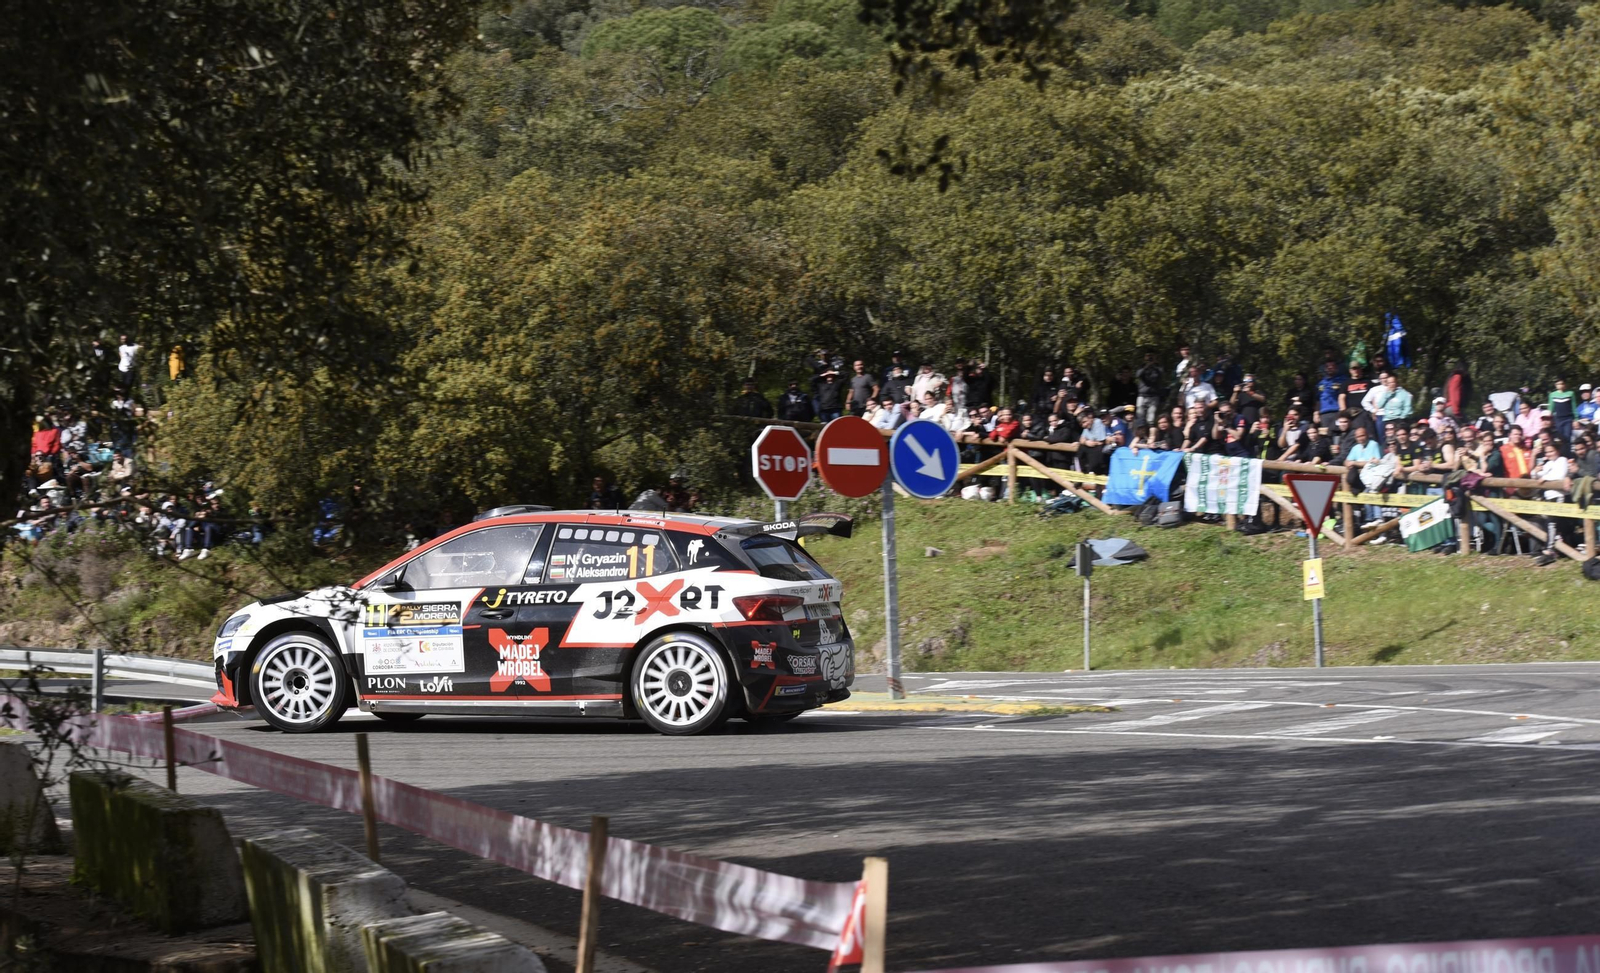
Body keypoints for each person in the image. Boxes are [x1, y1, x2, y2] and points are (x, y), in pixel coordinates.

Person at [1532, 442, 1570, 565]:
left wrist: (1545, 478)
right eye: (1547, 452)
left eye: (1551, 451)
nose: (1548, 454)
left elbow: (1560, 475)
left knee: (1552, 524)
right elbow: (1537, 476)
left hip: (1558, 496)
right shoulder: (1548, 464)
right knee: (1550, 523)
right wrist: (1535, 471)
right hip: (1549, 496)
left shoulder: (1562, 460)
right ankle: (1554, 549)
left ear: (1557, 451)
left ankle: (1550, 550)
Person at [1135, 351, 1166, 427]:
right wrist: (1146, 366)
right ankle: (1141, 432)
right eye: (1148, 356)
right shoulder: (1142, 366)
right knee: (1140, 418)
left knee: (1151, 420)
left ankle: (1150, 431)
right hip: (1142, 395)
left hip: (1153, 396)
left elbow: (1162, 374)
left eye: (1151, 356)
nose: (1150, 358)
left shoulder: (1158, 367)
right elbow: (1138, 375)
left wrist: (1154, 364)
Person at [1315, 361, 1344, 433]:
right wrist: (1316, 413)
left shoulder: (1342, 380)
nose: (1330, 368)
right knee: (1324, 434)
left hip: (1337, 412)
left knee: (1338, 433)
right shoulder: (1320, 383)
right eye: (1327, 366)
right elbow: (1318, 400)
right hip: (1324, 414)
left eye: (1332, 366)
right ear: (1325, 369)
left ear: (1336, 368)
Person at [1548, 379, 1576, 443]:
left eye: (1562, 384)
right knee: (1559, 437)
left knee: (1567, 436)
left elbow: (1574, 407)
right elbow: (1551, 408)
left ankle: (1567, 448)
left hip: (1568, 418)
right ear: (1555, 385)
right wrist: (1549, 419)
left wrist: (1576, 419)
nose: (1560, 385)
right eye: (1558, 384)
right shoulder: (1552, 394)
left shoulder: (1570, 393)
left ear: (1564, 384)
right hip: (1558, 419)